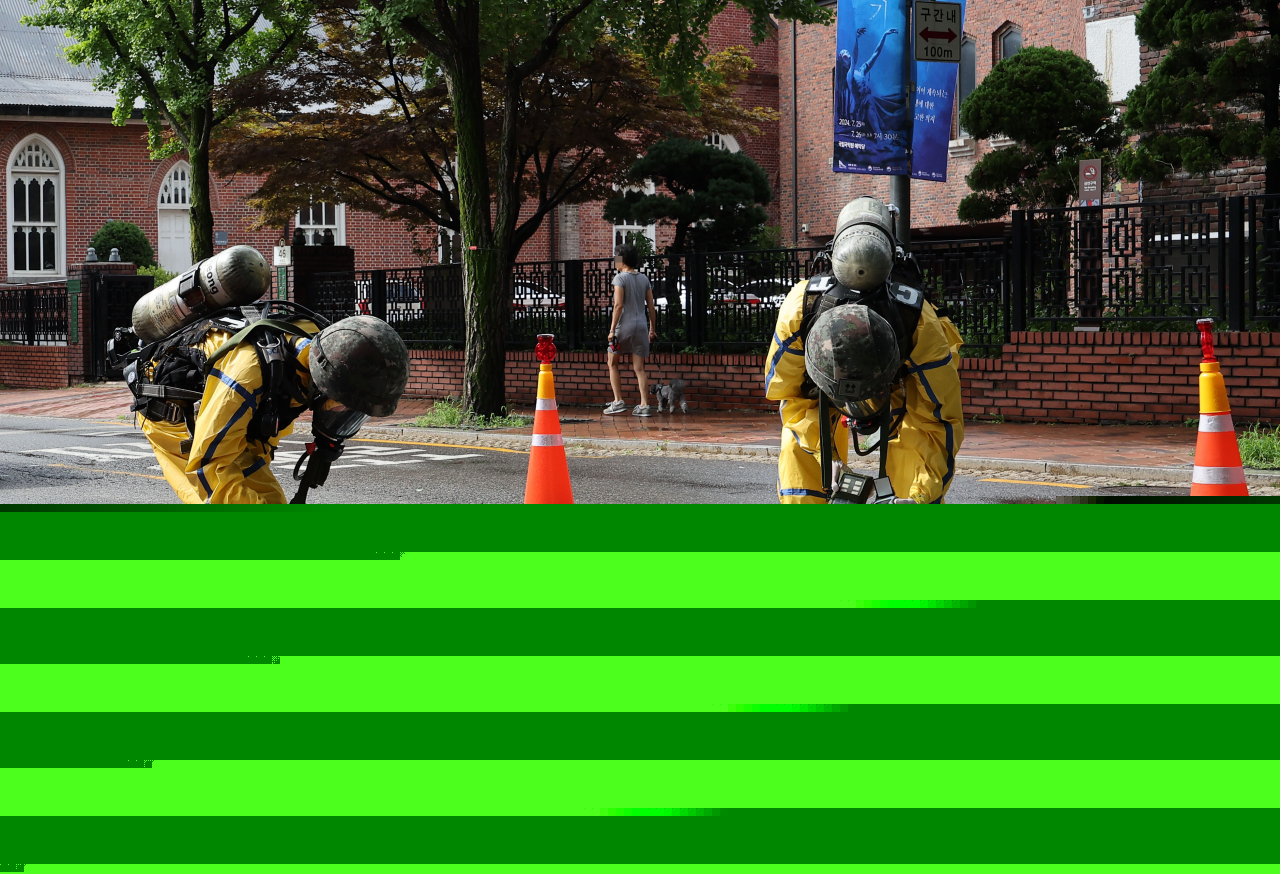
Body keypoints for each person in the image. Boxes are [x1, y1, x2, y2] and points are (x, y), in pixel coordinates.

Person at [765, 195, 965, 504]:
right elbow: (790, 396)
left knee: (913, 449)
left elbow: (938, 418)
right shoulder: (801, 309)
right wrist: (827, 457)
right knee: (797, 453)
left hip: (898, 389)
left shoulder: (917, 321)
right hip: (821, 393)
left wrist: (919, 495)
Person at [131, 307, 409, 504]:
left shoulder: (324, 351)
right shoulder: (248, 374)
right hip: (174, 417)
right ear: (326, 384)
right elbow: (207, 466)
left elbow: (270, 419)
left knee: (271, 502)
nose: (342, 417)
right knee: (217, 500)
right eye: (344, 406)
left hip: (233, 420)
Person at [603, 242, 658, 416]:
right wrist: (652, 329)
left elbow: (618, 305)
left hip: (623, 327)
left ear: (622, 260)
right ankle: (644, 406)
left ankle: (618, 401)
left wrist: (612, 330)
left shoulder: (619, 278)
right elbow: (651, 306)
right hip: (641, 327)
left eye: (616, 258)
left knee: (612, 363)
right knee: (639, 368)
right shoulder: (644, 279)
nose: (615, 261)